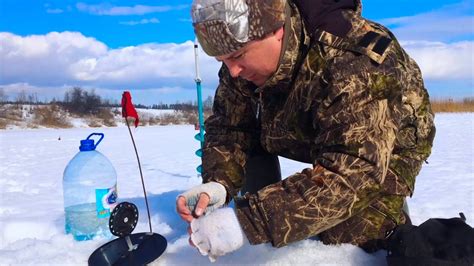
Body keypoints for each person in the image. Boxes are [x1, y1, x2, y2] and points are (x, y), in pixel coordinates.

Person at [176, 0, 436, 261]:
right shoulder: (240, 60)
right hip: (303, 130)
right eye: (222, 60)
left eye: (238, 56)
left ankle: (385, 204)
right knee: (264, 198)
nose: (232, 72)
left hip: (384, 149)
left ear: (275, 31)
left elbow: (355, 169)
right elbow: (229, 127)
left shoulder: (352, 60)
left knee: (348, 242)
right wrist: (217, 184)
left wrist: (248, 222)